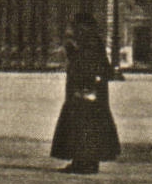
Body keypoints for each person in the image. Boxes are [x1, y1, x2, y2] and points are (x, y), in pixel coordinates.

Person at [51, 13, 121, 174]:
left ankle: (85, 162)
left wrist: (86, 85)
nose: (73, 29)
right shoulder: (90, 41)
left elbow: (88, 66)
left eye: (76, 25)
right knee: (84, 127)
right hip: (87, 92)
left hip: (86, 92)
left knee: (84, 127)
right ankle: (83, 161)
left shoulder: (89, 42)